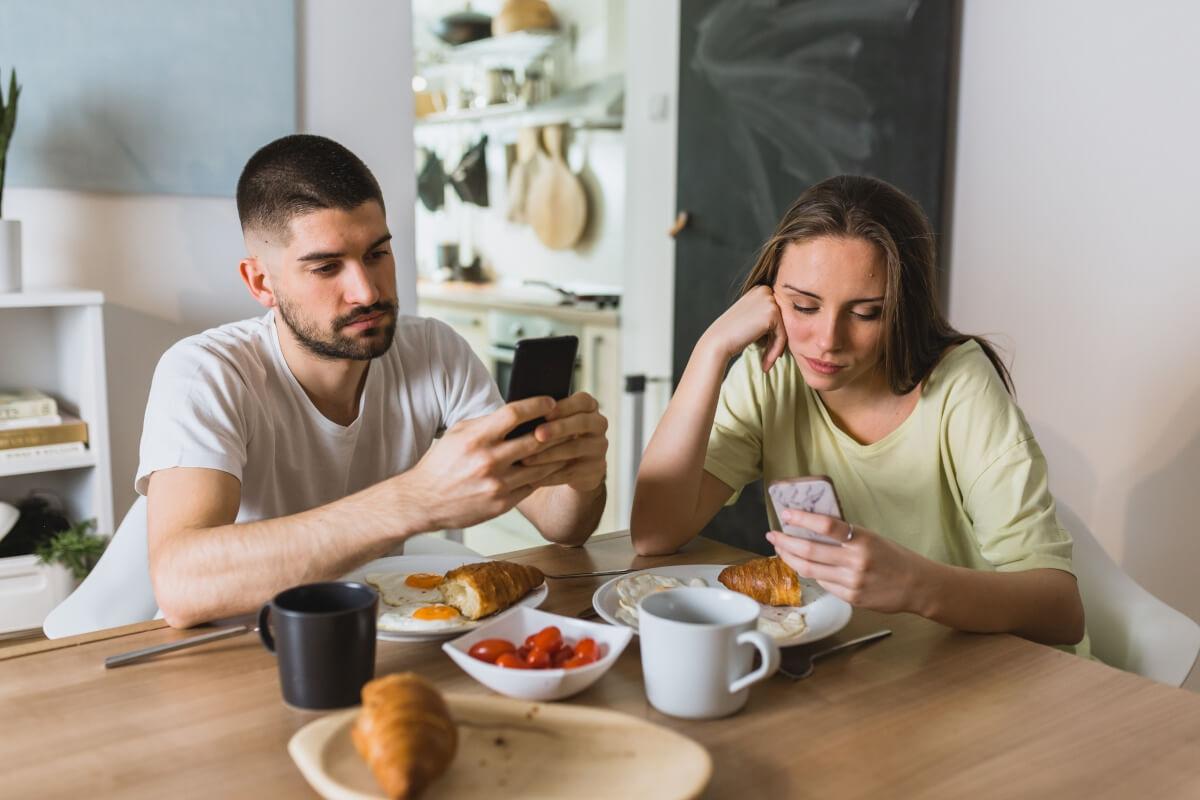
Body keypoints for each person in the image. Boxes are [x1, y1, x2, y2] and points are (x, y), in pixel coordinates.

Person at [142, 134, 608, 628]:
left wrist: (582, 478)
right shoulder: (206, 372)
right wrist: (416, 499)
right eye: (326, 267)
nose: (366, 291)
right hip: (240, 648)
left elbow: (562, 525)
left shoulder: (434, 350)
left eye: (377, 254)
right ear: (261, 282)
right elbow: (180, 585)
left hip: (385, 633)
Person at [631, 175, 1086, 650]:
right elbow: (654, 532)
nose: (828, 340)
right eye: (803, 306)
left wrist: (914, 584)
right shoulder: (773, 372)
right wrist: (711, 349)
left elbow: (1061, 611)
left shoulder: (960, 387)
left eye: (866, 313)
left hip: (993, 676)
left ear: (904, 310)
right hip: (867, 664)